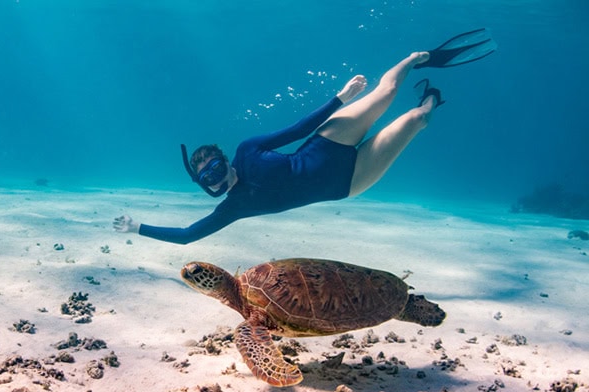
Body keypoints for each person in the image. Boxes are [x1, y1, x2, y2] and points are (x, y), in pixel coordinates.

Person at [114, 29, 496, 245]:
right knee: (416, 120)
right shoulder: (234, 208)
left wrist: (340, 99)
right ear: (200, 183)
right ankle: (431, 97)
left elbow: (297, 131)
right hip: (350, 181)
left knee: (385, 94)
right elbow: (187, 236)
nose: (214, 178)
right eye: (206, 177)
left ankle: (417, 57)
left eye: (214, 167)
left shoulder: (248, 151)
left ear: (225, 160)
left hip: (329, 141)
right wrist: (137, 227)